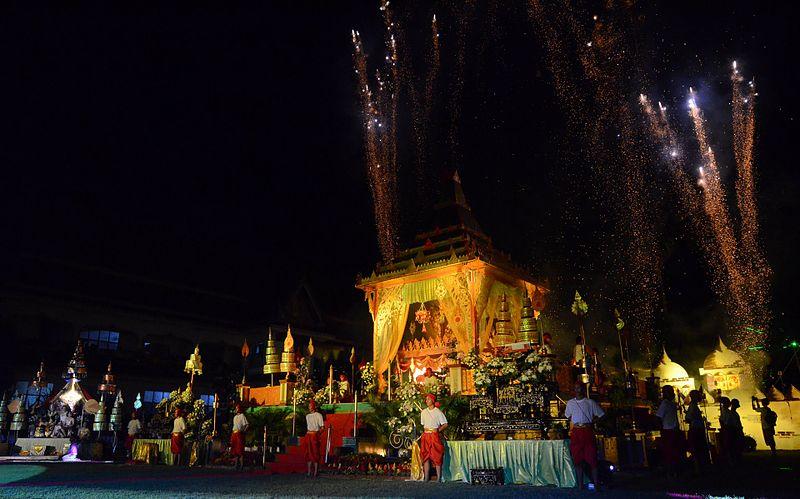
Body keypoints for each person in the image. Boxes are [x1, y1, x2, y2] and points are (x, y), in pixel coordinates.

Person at [565, 382, 604, 489]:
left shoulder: (590, 402)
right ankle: (580, 485)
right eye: (576, 388)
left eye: (580, 388)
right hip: (576, 431)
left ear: (583, 389)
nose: (578, 390)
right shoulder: (570, 403)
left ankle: (596, 484)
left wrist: (591, 421)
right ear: (574, 390)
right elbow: (568, 416)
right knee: (577, 459)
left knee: (592, 458)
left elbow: (601, 414)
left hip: (587, 431)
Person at [655, 385, 684, 475]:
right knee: (670, 451)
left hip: (674, 430)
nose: (673, 394)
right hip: (668, 430)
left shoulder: (671, 403)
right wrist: (662, 429)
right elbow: (658, 417)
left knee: (675, 451)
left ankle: (675, 470)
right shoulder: (665, 403)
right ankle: (671, 471)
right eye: (671, 392)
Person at [420, 393, 448, 482]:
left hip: (434, 436)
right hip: (426, 436)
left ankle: (439, 477)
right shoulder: (423, 412)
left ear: (432, 400)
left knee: (437, 455)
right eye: (426, 399)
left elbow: (445, 424)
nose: (426, 401)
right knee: (425, 456)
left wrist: (438, 430)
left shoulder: (438, 412)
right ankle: (426, 477)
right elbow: (423, 424)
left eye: (428, 399)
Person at [685, 390, 709, 472]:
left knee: (698, 450)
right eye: (698, 395)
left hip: (697, 430)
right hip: (696, 431)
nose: (700, 397)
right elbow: (688, 419)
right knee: (697, 450)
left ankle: (699, 468)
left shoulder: (694, 406)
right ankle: (698, 469)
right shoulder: (692, 406)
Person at [304, 400, 325, 477]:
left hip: (314, 435)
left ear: (314, 406)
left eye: (310, 406)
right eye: (308, 406)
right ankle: (309, 472)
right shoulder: (307, 416)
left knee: (315, 453)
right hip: (308, 435)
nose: (309, 407)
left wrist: (318, 434)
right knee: (308, 453)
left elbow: (322, 427)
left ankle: (316, 472)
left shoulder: (319, 415)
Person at [231, 404, 249, 470]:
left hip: (239, 433)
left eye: (237, 408)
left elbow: (247, 425)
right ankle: (236, 465)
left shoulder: (242, 416)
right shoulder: (235, 417)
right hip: (234, 434)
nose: (236, 409)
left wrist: (243, 431)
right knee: (235, 451)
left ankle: (241, 465)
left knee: (240, 450)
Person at [727, 399, 744, 464]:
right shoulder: (732, 413)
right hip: (735, 431)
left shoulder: (733, 413)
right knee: (736, 446)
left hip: (736, 430)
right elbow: (734, 423)